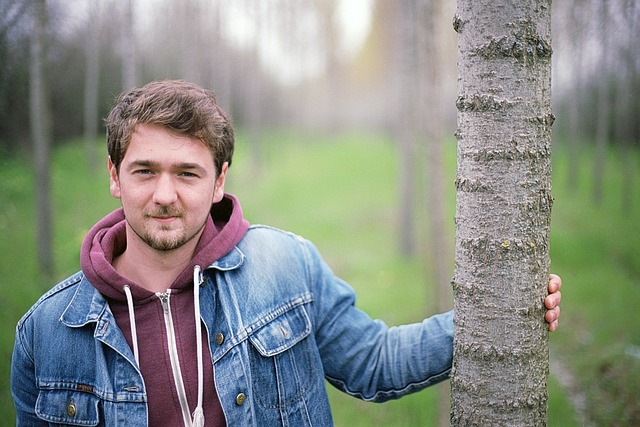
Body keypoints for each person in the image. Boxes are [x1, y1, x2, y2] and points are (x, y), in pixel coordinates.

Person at [11, 80, 562, 426]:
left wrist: (500, 314)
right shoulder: (47, 335)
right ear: (114, 176)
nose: (164, 195)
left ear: (220, 180)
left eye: (187, 173)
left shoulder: (285, 266)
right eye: (144, 170)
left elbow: (375, 363)